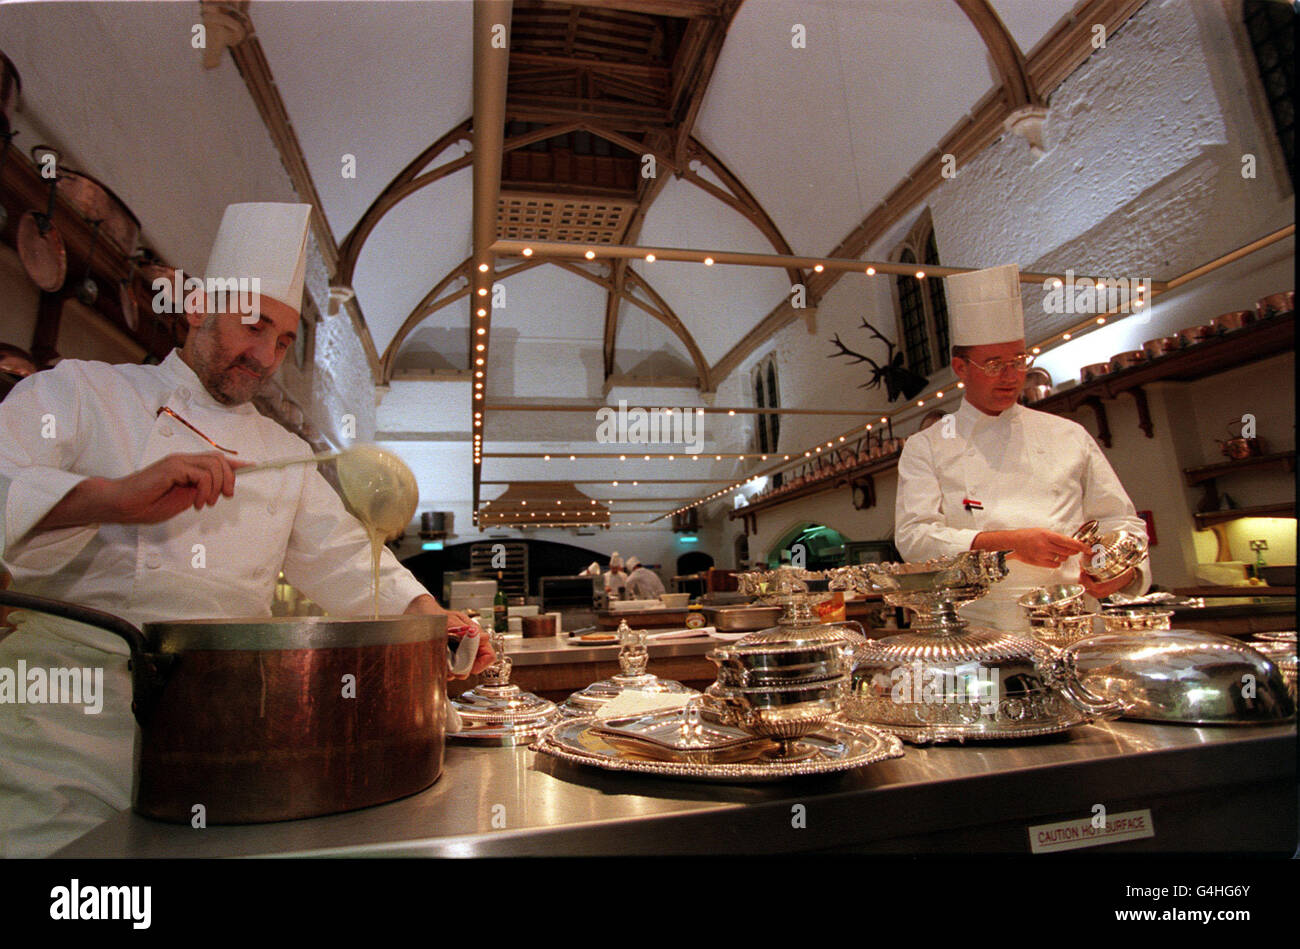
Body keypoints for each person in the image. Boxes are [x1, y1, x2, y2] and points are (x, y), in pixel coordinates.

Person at [0, 202, 492, 857]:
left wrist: (433, 621)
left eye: (284, 340)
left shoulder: (279, 450)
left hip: (220, 745)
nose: (264, 356)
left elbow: (348, 558)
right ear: (200, 305)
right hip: (61, 741)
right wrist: (113, 498)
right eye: (254, 326)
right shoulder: (86, 394)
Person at [894, 263, 1148, 631]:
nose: (1011, 376)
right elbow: (915, 538)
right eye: (994, 364)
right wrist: (1009, 544)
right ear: (960, 368)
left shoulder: (1069, 435)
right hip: (979, 627)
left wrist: (1122, 575)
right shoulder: (927, 446)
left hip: (1073, 622)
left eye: (1018, 360)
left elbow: (1120, 521)